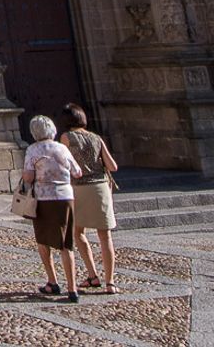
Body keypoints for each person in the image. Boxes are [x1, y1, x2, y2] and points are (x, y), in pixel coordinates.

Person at [21, 113, 84, 302]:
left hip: (43, 199)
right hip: (65, 198)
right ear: (53, 130)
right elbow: (77, 172)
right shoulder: (62, 148)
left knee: (43, 240)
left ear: (34, 132)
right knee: (66, 244)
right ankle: (72, 288)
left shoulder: (33, 150)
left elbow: (28, 177)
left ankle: (52, 281)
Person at [60, 102, 119, 293]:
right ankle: (110, 282)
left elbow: (64, 164)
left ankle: (93, 275)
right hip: (100, 188)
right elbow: (113, 166)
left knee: (78, 232)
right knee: (105, 236)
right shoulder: (96, 138)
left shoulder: (66, 137)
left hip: (79, 188)